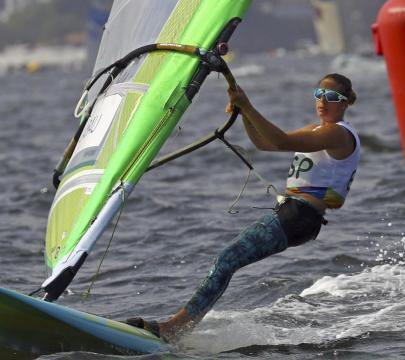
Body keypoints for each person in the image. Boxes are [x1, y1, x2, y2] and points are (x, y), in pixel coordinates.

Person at [128, 73, 361, 341]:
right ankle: (177, 327)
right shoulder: (319, 130)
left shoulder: (337, 133)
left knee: (226, 260)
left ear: (344, 103)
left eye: (331, 97)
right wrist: (243, 114)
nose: (322, 101)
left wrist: (248, 106)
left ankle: (173, 329)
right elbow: (264, 143)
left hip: (299, 216)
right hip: (296, 217)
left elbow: (282, 141)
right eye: (318, 94)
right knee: (228, 260)